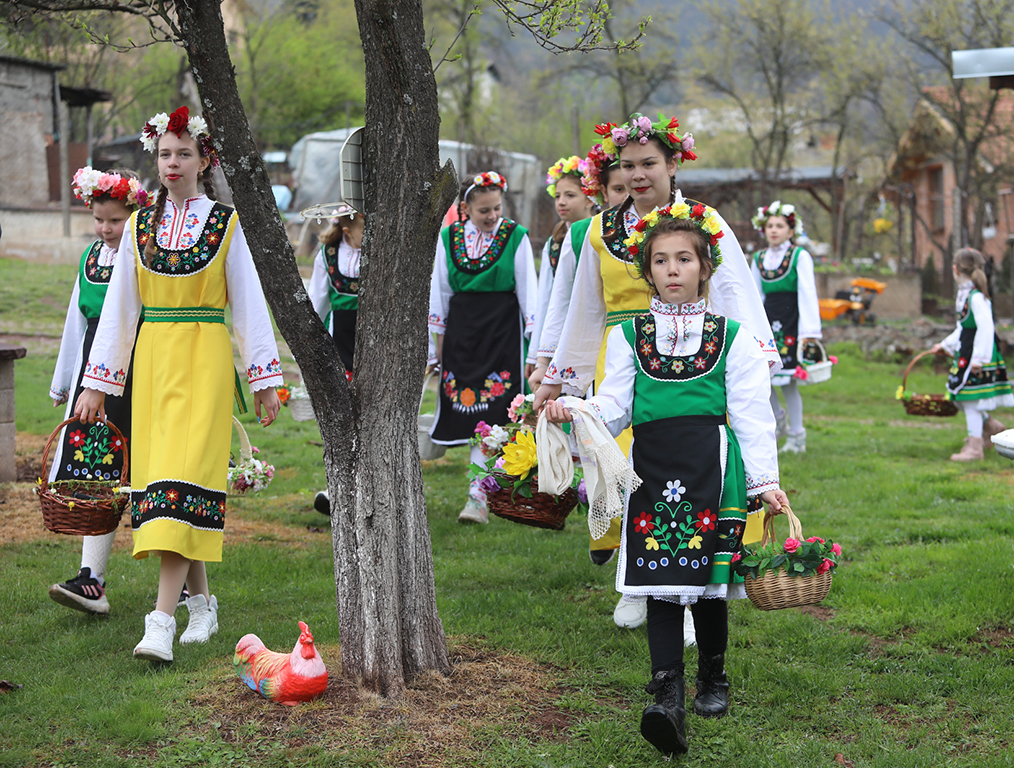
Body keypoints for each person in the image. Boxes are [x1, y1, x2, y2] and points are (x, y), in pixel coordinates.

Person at [543, 205, 788, 756]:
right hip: (651, 469)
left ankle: (714, 677)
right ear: (646, 271)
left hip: (711, 466)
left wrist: (765, 481)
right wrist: (576, 410)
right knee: (655, 577)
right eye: (660, 260)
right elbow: (615, 406)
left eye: (684, 259)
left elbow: (752, 414)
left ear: (705, 268)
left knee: (708, 583)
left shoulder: (734, 337)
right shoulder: (630, 335)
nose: (672, 269)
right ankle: (667, 693)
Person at [534, 113, 778, 631]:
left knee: (694, 483)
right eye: (628, 166)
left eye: (650, 163)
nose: (639, 174)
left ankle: (691, 594)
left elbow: (732, 292)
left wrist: (746, 364)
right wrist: (563, 378)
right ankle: (637, 584)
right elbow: (584, 309)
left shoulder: (703, 221)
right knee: (624, 476)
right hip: (623, 357)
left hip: (698, 362)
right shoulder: (599, 230)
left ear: (673, 163)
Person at [73, 106, 283, 662]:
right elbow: (120, 310)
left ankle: (160, 621)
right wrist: (97, 383)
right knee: (166, 483)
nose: (172, 163)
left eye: (183, 153)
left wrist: (264, 378)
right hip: (155, 364)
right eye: (165, 153)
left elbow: (250, 304)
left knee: (181, 480)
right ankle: (203, 605)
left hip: (206, 362)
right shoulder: (139, 225)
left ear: (203, 158)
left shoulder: (227, 224)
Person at [47, 167, 148, 615]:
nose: (106, 229)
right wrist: (66, 380)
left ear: (134, 214)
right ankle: (92, 578)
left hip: (140, 376)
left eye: (114, 220)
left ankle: (183, 580)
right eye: (99, 220)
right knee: (97, 476)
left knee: (149, 474)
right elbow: (78, 323)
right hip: (93, 384)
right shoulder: (91, 258)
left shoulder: (147, 256)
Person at [427, 171, 538, 524]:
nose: (492, 217)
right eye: (484, 211)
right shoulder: (448, 238)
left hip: (502, 334)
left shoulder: (515, 236)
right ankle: (488, 492)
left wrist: (533, 352)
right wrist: (439, 348)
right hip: (462, 337)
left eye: (497, 209)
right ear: (465, 208)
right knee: (470, 412)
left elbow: (529, 295)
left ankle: (480, 496)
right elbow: (440, 292)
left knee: (497, 416)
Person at [529, 141, 626, 392]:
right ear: (603, 193)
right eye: (617, 188)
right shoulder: (574, 236)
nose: (562, 201)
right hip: (585, 335)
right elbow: (554, 300)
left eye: (570, 195)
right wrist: (542, 359)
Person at [750, 200, 822, 454]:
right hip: (767, 325)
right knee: (763, 377)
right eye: (769, 225)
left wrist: (809, 333)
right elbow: (754, 295)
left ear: (791, 231)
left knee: (788, 382)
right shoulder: (758, 259)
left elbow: (807, 292)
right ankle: (778, 420)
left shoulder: (800, 256)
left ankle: (797, 435)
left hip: (792, 323)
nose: (773, 230)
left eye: (779, 226)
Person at [931, 248, 1014, 460]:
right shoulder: (968, 296)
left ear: (955, 269)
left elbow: (986, 328)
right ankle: (991, 427)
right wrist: (944, 345)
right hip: (966, 354)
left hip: (977, 357)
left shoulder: (977, 298)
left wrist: (978, 360)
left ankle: (975, 449)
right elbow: (963, 328)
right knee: (960, 397)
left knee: (969, 400)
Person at [308, 203, 363, 516]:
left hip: (377, 347)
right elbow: (317, 304)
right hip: (343, 346)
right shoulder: (329, 256)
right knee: (344, 418)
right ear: (347, 231)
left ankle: (364, 486)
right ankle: (338, 487)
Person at [528, 156, 594, 393]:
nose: (561, 202)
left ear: (590, 198)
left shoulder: (599, 235)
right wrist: (537, 355)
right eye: (557, 196)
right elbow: (547, 299)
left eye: (570, 195)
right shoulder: (553, 244)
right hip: (560, 334)